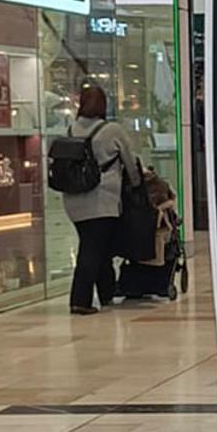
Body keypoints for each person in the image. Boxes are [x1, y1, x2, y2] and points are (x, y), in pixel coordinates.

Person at [63, 85, 142, 314]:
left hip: (73, 201)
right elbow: (130, 161)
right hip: (101, 200)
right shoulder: (112, 130)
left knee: (101, 246)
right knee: (91, 250)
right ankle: (80, 300)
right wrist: (136, 185)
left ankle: (107, 292)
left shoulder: (71, 129)